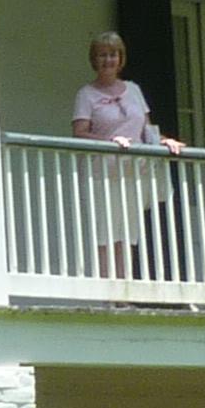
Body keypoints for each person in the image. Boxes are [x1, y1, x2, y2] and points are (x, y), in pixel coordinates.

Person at [72, 31, 180, 284]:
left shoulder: (133, 90)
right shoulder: (86, 94)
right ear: (94, 59)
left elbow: (146, 128)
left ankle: (124, 290)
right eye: (102, 55)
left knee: (129, 233)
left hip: (133, 172)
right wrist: (110, 142)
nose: (108, 60)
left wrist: (165, 141)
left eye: (113, 55)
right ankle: (108, 295)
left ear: (120, 59)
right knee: (105, 232)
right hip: (102, 173)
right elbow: (79, 133)